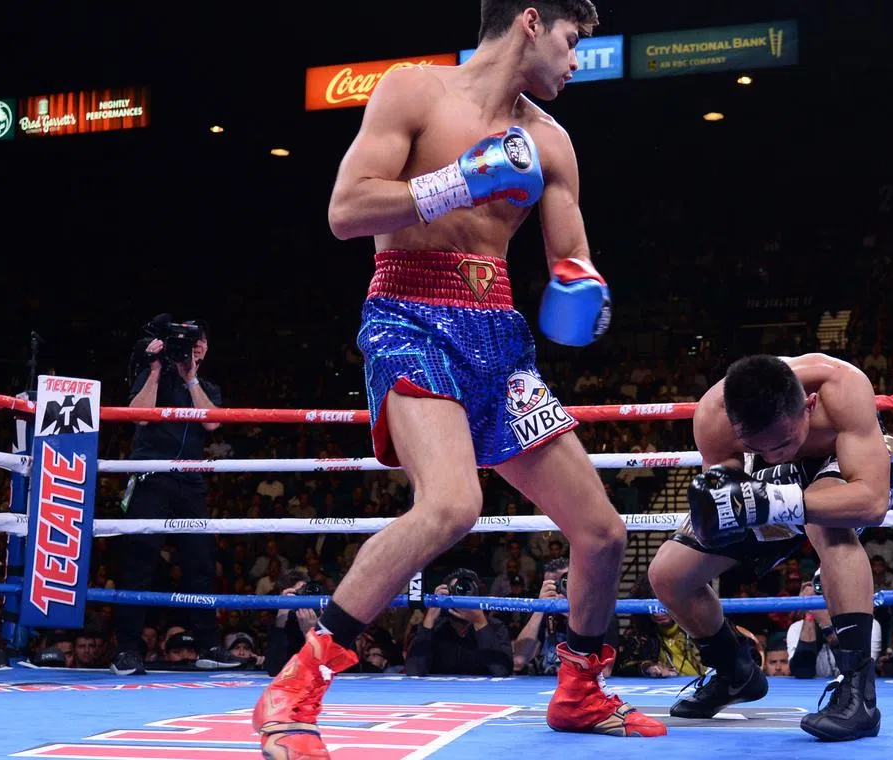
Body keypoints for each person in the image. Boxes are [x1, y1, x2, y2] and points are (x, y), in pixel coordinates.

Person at [252, 3, 665, 757]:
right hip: (409, 314)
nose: (578, 62)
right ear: (532, 23)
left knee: (603, 533)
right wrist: (457, 183)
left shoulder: (551, 141)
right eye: (574, 42)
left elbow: (571, 252)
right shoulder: (413, 91)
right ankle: (294, 687)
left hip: (500, 338)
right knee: (450, 505)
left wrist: (585, 288)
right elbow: (346, 210)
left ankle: (579, 691)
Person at [647, 353, 893, 742]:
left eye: (784, 442)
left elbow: (871, 503)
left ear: (809, 404)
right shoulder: (713, 415)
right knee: (668, 575)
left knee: (827, 525)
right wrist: (716, 515)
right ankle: (734, 672)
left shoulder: (840, 387)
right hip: (767, 483)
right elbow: (727, 505)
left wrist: (774, 503)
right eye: (759, 446)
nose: (774, 453)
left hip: (852, 468)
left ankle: (859, 693)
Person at [110, 316, 240, 675]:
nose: (194, 346)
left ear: (206, 347)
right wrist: (155, 368)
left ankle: (210, 646)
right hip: (151, 477)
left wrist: (190, 377)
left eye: (199, 340)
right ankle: (127, 650)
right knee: (139, 562)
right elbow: (138, 416)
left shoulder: (206, 386)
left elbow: (212, 422)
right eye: (187, 341)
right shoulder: (155, 376)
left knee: (199, 563)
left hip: (191, 480)